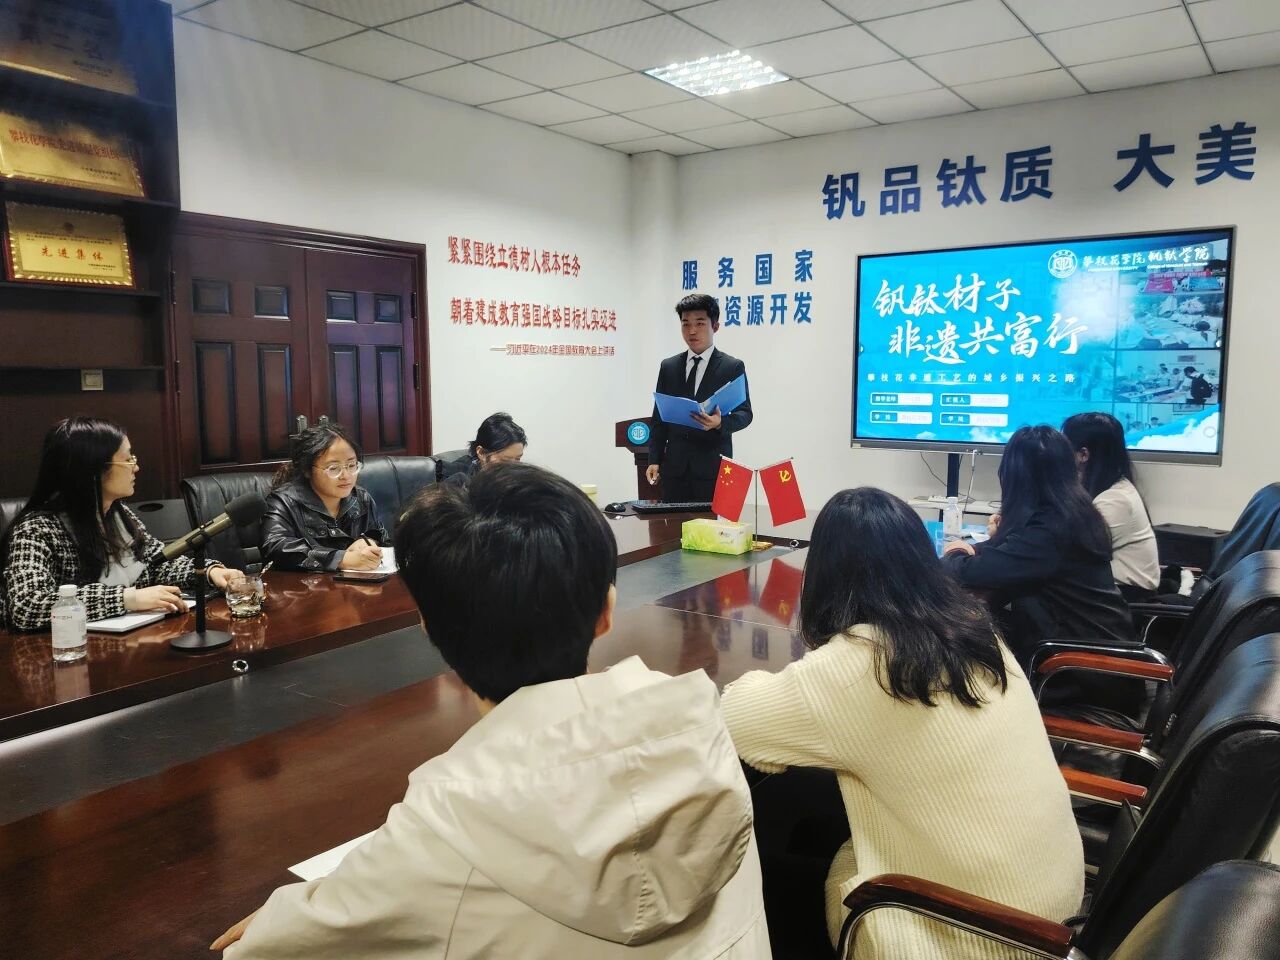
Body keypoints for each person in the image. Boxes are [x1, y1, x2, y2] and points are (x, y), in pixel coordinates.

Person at [212, 463, 770, 959]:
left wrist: (288, 918)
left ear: (428, 625)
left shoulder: (446, 827)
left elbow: (261, 949)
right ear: (607, 612)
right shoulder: (702, 731)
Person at [721, 487, 1083, 957]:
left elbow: (736, 718)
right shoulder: (975, 629)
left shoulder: (859, 665)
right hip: (1051, 911)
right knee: (814, 802)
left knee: (761, 875)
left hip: (974, 936)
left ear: (823, 575)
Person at [0, 417, 241, 631]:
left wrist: (211, 572)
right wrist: (126, 599)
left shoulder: (118, 514)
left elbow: (156, 564)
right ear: (93, 469)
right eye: (127, 459)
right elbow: (26, 605)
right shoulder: (36, 529)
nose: (136, 467)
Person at [941, 425, 1135, 668]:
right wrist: (976, 550)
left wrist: (956, 551)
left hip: (1079, 664)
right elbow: (1006, 553)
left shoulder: (1052, 529)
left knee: (956, 635)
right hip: (1079, 643)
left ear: (1015, 477)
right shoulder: (1069, 512)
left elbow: (969, 571)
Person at [647, 293, 753, 502]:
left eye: (700, 323)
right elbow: (658, 419)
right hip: (674, 471)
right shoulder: (668, 367)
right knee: (672, 523)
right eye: (685, 324)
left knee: (709, 524)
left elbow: (745, 414)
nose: (692, 331)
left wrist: (720, 423)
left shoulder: (732, 366)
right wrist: (654, 459)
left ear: (715, 326)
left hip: (712, 470)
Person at [260, 423, 388, 572]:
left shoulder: (361, 498)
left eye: (351, 465)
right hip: (301, 585)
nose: (346, 476)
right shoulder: (282, 502)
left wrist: (369, 543)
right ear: (307, 470)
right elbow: (275, 547)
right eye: (333, 468)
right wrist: (340, 559)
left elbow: (382, 537)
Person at [1062, 412, 1160, 600]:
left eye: (1064, 447)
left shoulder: (1115, 499)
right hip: (1106, 593)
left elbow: (1073, 552)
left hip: (1122, 599)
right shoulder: (1110, 489)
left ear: (1083, 454)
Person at [443, 411, 527, 487]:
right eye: (505, 460)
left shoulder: (518, 481)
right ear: (481, 453)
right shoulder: (459, 483)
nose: (513, 467)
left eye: (517, 459)